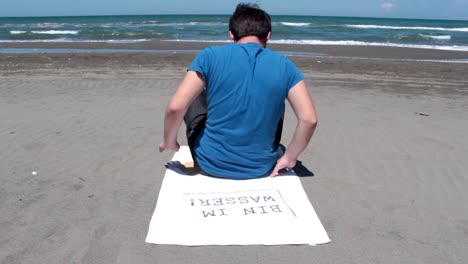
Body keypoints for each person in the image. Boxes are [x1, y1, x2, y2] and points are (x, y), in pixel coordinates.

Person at [159, 3, 317, 179]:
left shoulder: (209, 56)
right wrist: (290, 157)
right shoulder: (285, 65)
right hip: (260, 166)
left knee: (193, 95)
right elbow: (309, 119)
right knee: (275, 95)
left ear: (231, 35)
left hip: (210, 162)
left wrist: (169, 140)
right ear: (268, 35)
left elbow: (175, 107)